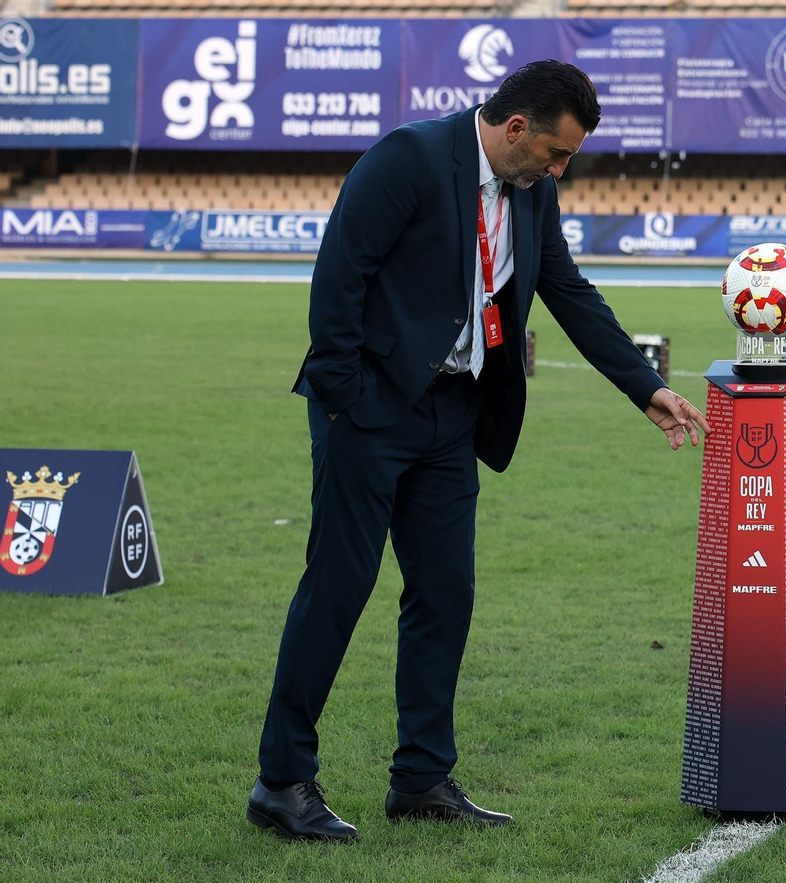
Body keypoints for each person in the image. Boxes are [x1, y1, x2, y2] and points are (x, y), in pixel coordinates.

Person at [248, 60, 711, 842]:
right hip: (370, 412)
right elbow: (339, 277)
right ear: (517, 127)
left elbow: (567, 290)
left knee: (445, 593)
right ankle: (281, 781)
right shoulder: (409, 157)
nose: (562, 170)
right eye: (557, 154)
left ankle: (421, 777)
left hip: (453, 418)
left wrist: (645, 387)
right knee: (338, 587)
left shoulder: (534, 192)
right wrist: (345, 399)